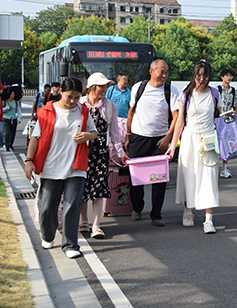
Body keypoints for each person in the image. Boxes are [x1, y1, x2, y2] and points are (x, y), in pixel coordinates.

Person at [24, 77, 97, 259]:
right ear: (61, 93)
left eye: (76, 97)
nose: (72, 101)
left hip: (76, 165)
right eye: (69, 96)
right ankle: (47, 235)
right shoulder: (46, 111)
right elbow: (35, 138)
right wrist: (29, 161)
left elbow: (94, 132)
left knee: (72, 206)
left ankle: (70, 244)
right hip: (51, 166)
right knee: (48, 206)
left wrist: (87, 136)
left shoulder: (83, 111)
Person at [166, 61, 222, 233]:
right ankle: (187, 211)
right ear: (194, 76)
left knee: (209, 178)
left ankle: (208, 220)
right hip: (189, 139)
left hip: (209, 140)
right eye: (199, 76)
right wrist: (173, 146)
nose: (202, 79)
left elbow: (219, 117)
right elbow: (180, 122)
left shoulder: (215, 93)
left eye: (205, 76)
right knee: (188, 176)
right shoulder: (186, 94)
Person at [126, 59, 179, 227]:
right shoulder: (138, 88)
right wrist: (127, 136)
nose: (165, 75)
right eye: (161, 71)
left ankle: (156, 214)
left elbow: (176, 117)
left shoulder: (170, 90)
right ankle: (137, 208)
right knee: (135, 178)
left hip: (159, 140)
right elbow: (131, 113)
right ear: (151, 71)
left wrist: (168, 138)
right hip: (138, 137)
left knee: (159, 179)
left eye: (166, 72)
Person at [80, 73, 128, 239]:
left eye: (106, 86)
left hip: (101, 152)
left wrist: (121, 154)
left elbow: (114, 133)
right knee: (82, 186)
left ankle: (96, 225)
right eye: (101, 86)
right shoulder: (80, 103)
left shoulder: (110, 106)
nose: (105, 89)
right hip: (82, 151)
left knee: (99, 187)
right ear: (92, 87)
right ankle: (83, 220)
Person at [217, 68, 237, 179]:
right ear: (222, 77)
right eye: (227, 75)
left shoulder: (233, 90)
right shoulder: (217, 89)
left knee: (226, 145)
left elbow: (235, 106)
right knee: (217, 145)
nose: (229, 78)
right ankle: (214, 167)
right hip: (218, 120)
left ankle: (224, 168)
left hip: (228, 121)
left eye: (230, 76)